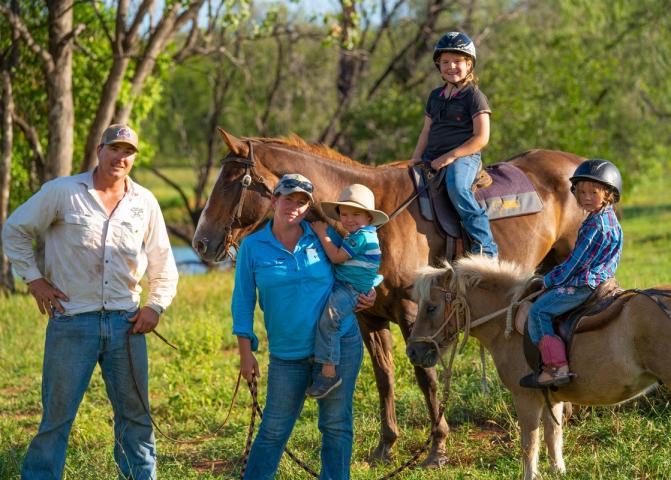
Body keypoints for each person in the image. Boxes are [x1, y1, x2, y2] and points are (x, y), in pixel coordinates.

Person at [2, 124, 179, 480]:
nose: (120, 157)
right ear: (99, 150)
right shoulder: (62, 192)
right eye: (114, 148)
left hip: (127, 324)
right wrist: (35, 280)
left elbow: (163, 263)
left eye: (128, 151)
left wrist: (154, 306)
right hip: (72, 321)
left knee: (136, 417)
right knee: (57, 417)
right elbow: (14, 230)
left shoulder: (144, 202)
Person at [232, 173, 375, 480]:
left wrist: (369, 292)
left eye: (302, 202)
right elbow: (242, 302)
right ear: (274, 200)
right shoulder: (253, 247)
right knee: (273, 428)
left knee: (336, 425)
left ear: (309, 206)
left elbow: (358, 265)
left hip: (339, 349)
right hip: (288, 354)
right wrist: (246, 352)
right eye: (288, 199)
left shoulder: (321, 236)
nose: (294, 207)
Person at [524, 159, 623, 387]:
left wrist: (547, 280)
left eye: (593, 192)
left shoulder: (595, 225)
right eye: (581, 192)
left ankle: (556, 367)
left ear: (607, 194)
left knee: (539, 311)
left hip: (583, 285)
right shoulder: (610, 220)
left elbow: (574, 265)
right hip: (603, 280)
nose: (586, 197)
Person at [409, 31, 498, 258]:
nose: (451, 66)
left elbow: (481, 138)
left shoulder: (474, 96)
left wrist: (450, 157)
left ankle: (485, 247)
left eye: (458, 61)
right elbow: (426, 131)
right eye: (445, 62)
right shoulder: (435, 96)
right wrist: (416, 157)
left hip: (464, 157)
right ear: (438, 66)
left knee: (458, 188)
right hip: (432, 155)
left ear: (469, 64)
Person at [306, 184, 388, 399]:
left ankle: (329, 373)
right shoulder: (366, 234)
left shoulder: (359, 237)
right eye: (344, 214)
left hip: (350, 289)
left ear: (369, 217)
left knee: (328, 321)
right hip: (354, 284)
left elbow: (336, 257)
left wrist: (322, 233)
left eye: (356, 214)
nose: (349, 219)